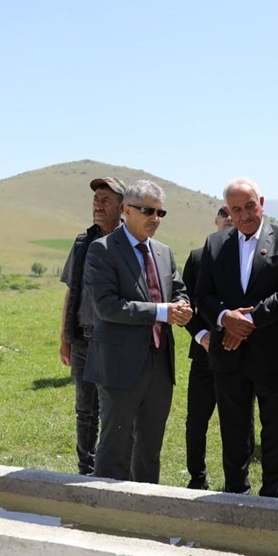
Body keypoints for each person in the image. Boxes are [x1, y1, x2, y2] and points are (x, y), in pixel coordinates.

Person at [195, 178, 278, 497]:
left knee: (275, 431)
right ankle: (235, 493)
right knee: (233, 429)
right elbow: (202, 294)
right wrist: (225, 318)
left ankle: (274, 496)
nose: (244, 215)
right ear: (228, 210)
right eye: (236, 209)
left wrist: (248, 320)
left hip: (272, 355)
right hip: (228, 355)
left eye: (250, 206)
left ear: (262, 202)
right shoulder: (215, 244)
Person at [83, 180, 191, 484]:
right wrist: (162, 311)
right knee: (115, 449)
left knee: (149, 449)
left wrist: (182, 306)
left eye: (160, 212)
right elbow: (107, 307)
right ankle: (103, 515)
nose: (155, 218)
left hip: (159, 365)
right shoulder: (102, 250)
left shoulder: (164, 252)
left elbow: (178, 289)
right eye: (148, 211)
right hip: (119, 367)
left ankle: (147, 514)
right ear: (126, 210)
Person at [59, 176, 125, 474]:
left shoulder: (128, 243)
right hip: (84, 340)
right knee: (85, 411)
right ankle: (85, 470)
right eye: (96, 199)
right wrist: (65, 338)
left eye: (106, 200)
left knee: (116, 410)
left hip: (115, 342)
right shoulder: (83, 242)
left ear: (122, 207)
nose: (98, 205)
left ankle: (113, 469)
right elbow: (72, 291)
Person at [180, 206, 235, 490]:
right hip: (203, 353)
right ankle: (196, 478)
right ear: (215, 219)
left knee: (236, 421)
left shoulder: (248, 256)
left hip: (239, 355)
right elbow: (185, 304)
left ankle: (235, 482)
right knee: (196, 419)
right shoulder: (197, 257)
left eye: (233, 213)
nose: (228, 217)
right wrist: (200, 335)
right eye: (223, 213)